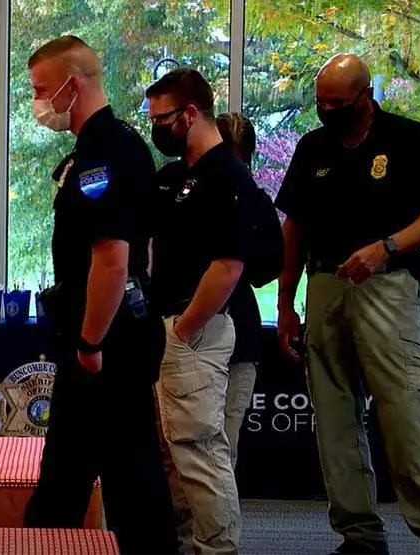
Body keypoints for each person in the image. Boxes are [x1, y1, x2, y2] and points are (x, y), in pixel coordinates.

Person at [274, 53, 420, 555]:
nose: (326, 109)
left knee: (405, 414)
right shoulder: (313, 146)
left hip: (388, 288)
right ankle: (359, 535)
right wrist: (287, 302)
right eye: (320, 101)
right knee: (334, 420)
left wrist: (388, 247)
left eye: (337, 102)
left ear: (365, 97)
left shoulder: (406, 138)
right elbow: (293, 227)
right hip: (325, 285)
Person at [21, 35, 178, 554]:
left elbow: (113, 258)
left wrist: (89, 342)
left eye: (43, 90)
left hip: (105, 343)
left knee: (114, 478)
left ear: (75, 83)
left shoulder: (103, 154)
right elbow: (146, 249)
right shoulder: (112, 147)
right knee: (92, 472)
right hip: (111, 334)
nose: (38, 103)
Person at [146, 68, 254, 555]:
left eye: (162, 118)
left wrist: (187, 328)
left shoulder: (225, 175)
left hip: (197, 330)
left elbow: (229, 266)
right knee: (172, 454)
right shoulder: (177, 176)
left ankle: (218, 549)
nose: (156, 128)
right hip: (168, 327)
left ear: (191, 114)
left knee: (201, 452)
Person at [214, 112, 262, 467]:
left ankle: (218, 523)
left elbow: (266, 266)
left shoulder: (253, 198)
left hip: (237, 333)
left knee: (223, 444)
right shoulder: (182, 191)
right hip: (195, 330)